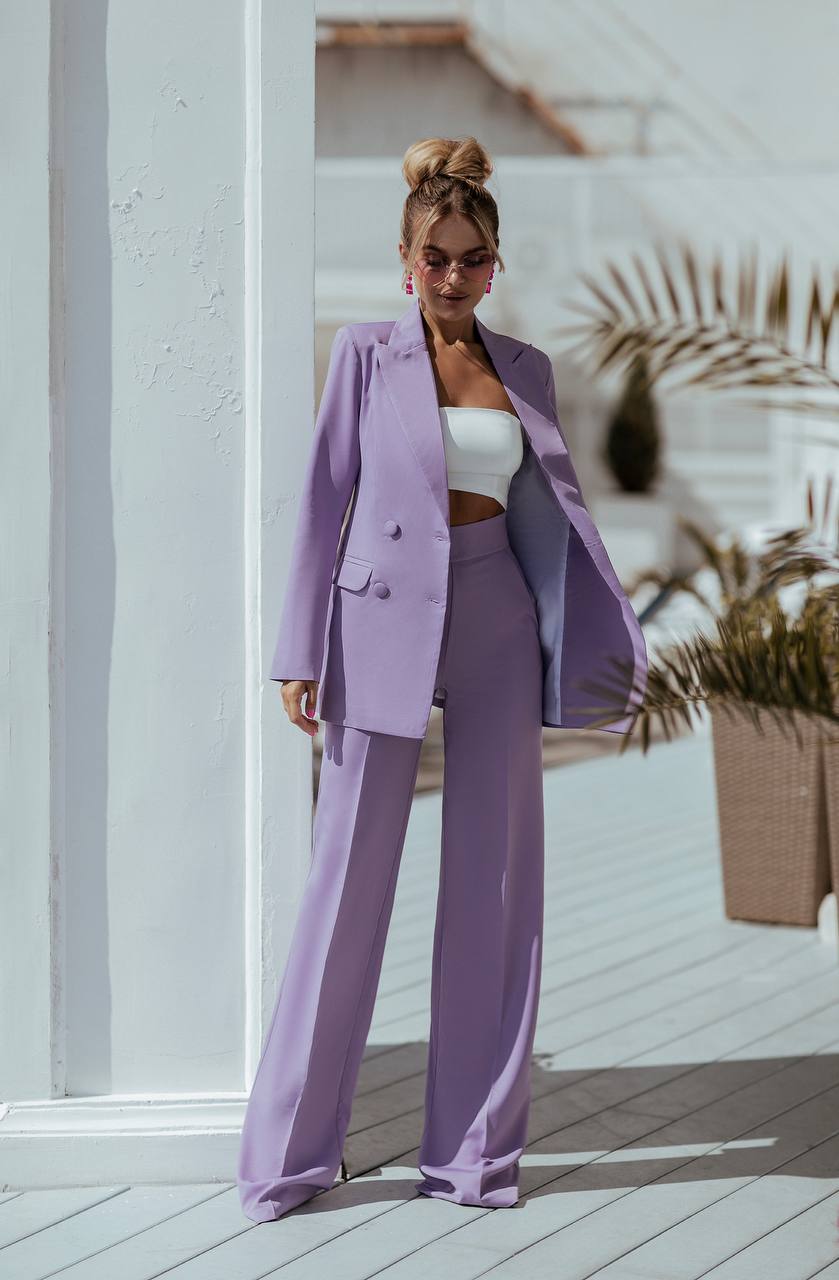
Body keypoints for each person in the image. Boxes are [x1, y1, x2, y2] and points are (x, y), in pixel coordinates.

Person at [237, 135, 648, 1223]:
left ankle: (470, 1156)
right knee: (345, 887)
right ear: (404, 258)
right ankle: (286, 1155)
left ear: (494, 263)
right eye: (436, 257)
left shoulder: (525, 370)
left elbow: (547, 518)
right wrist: (296, 652)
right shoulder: (362, 357)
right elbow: (322, 503)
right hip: (373, 621)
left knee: (495, 890)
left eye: (472, 259)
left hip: (496, 621)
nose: (453, 277)